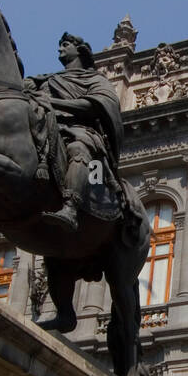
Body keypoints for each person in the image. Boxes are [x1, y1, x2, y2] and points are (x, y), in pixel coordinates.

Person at [29, 33, 126, 232]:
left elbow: (95, 106)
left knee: (79, 148)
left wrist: (53, 102)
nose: (60, 49)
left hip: (79, 129)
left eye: (65, 45)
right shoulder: (48, 79)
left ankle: (70, 208)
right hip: (46, 125)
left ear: (79, 49)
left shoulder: (96, 80)